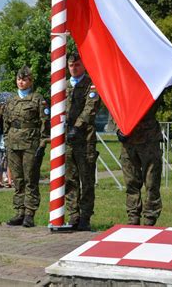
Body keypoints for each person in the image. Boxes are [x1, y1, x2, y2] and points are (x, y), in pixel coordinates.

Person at [4, 66, 49, 227]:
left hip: (30, 143)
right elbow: (6, 123)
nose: (21, 82)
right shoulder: (11, 100)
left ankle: (30, 213)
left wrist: (43, 142)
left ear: (30, 81)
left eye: (24, 79)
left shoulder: (37, 99)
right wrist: (6, 139)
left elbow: (45, 121)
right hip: (13, 142)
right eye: (19, 79)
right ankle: (19, 211)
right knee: (18, 179)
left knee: (30, 178)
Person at [64, 53, 101, 231]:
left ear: (83, 65)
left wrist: (76, 127)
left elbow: (90, 109)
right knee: (70, 180)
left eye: (77, 65)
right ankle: (73, 215)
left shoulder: (90, 85)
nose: (74, 68)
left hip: (84, 139)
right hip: (67, 140)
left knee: (86, 181)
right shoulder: (62, 86)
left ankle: (85, 217)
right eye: (71, 65)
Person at [117, 101, 163, 226]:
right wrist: (118, 127)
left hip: (148, 139)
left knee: (151, 182)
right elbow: (116, 105)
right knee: (131, 182)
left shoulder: (151, 84)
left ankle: (150, 218)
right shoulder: (122, 85)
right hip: (128, 140)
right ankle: (133, 217)